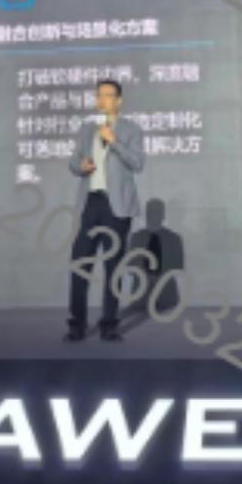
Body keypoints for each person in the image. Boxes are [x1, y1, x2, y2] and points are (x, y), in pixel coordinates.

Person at [64, 78, 144, 342]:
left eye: (108, 95)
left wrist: (114, 141)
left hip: (116, 205)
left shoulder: (132, 129)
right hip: (91, 202)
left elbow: (138, 163)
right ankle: (77, 324)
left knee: (113, 267)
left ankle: (109, 324)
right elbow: (73, 162)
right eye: (98, 95)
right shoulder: (87, 129)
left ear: (118, 101)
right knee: (80, 264)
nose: (101, 100)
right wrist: (81, 166)